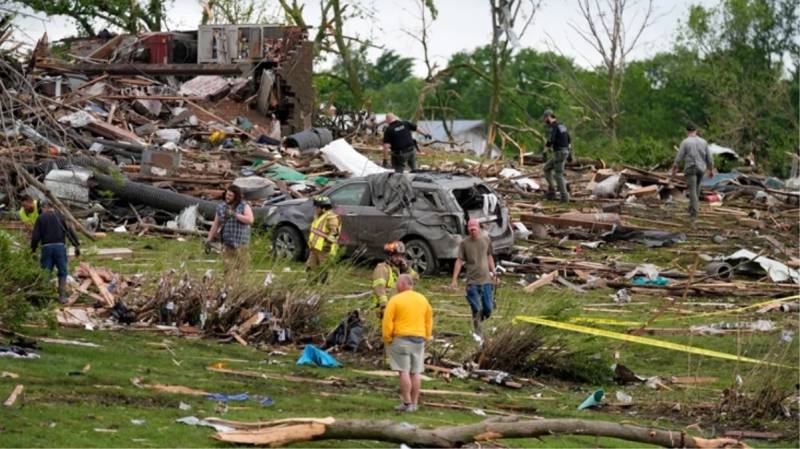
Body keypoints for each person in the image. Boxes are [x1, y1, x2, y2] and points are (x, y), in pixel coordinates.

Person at [382, 274, 433, 412]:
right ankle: (415, 403)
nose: (395, 286)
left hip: (402, 338)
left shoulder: (395, 300)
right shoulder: (422, 299)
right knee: (416, 372)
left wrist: (387, 338)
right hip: (419, 339)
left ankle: (407, 402)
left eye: (397, 283)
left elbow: (387, 321)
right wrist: (427, 335)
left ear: (403, 284)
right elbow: (428, 319)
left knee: (403, 371)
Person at [450, 218, 496, 334]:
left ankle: (479, 320)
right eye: (470, 230)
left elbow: (489, 256)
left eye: (474, 229)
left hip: (486, 279)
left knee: (488, 309)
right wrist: (454, 280)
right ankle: (478, 331)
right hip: (472, 282)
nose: (472, 231)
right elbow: (459, 261)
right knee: (476, 308)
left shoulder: (486, 240)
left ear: (479, 228)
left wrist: (494, 271)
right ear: (468, 229)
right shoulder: (464, 243)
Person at [30, 200, 80, 303]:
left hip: (47, 248)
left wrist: (33, 249)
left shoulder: (41, 218)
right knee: (62, 271)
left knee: (46, 271)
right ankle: (62, 296)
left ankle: (44, 297)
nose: (41, 211)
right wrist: (76, 245)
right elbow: (69, 231)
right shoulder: (60, 217)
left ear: (44, 207)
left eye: (41, 209)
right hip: (60, 248)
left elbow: (35, 237)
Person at [206, 185, 254, 277]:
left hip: (241, 244)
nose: (227, 197)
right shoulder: (221, 207)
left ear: (236, 197)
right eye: (227, 194)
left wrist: (234, 214)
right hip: (227, 243)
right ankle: (229, 287)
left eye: (230, 195)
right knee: (228, 270)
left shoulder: (243, 206)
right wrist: (209, 239)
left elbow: (250, 220)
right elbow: (216, 224)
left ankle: (241, 288)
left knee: (243, 270)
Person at [671, 123, 714, 218]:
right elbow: (709, 158)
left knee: (692, 190)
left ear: (687, 131)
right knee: (697, 189)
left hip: (691, 168)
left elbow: (679, 157)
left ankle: (694, 212)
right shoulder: (704, 142)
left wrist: (674, 168)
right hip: (701, 169)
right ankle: (692, 208)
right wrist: (711, 169)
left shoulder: (685, 142)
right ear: (696, 131)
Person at [372, 241, 419, 316]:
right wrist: (384, 306)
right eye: (396, 256)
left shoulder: (399, 270)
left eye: (401, 256)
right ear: (390, 255)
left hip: (397, 306)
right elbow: (379, 289)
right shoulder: (382, 268)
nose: (399, 259)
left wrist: (406, 269)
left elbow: (415, 279)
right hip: (382, 308)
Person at [306, 195, 341, 278]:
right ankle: (311, 283)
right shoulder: (318, 216)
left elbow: (334, 233)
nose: (315, 209)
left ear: (323, 208)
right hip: (315, 247)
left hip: (324, 248)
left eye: (317, 207)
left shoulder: (331, 217)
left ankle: (324, 285)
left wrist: (328, 245)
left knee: (324, 268)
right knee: (310, 266)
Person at [542, 109, 571, 202]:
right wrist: (569, 152)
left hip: (559, 153)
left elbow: (551, 139)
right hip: (564, 151)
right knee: (546, 168)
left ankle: (564, 197)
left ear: (549, 117)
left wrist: (545, 150)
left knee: (558, 175)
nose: (545, 120)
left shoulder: (553, 127)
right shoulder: (562, 125)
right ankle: (552, 190)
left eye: (545, 118)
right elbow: (569, 139)